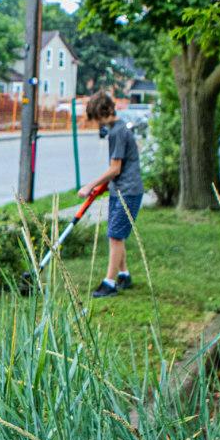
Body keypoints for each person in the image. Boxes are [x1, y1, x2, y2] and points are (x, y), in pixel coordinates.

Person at [79, 91, 145, 299]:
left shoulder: (117, 132)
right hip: (121, 189)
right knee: (116, 234)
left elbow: (115, 168)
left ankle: (109, 283)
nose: (96, 123)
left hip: (128, 191)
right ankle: (123, 275)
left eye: (95, 118)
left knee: (115, 236)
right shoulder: (118, 128)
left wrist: (90, 185)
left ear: (102, 113)